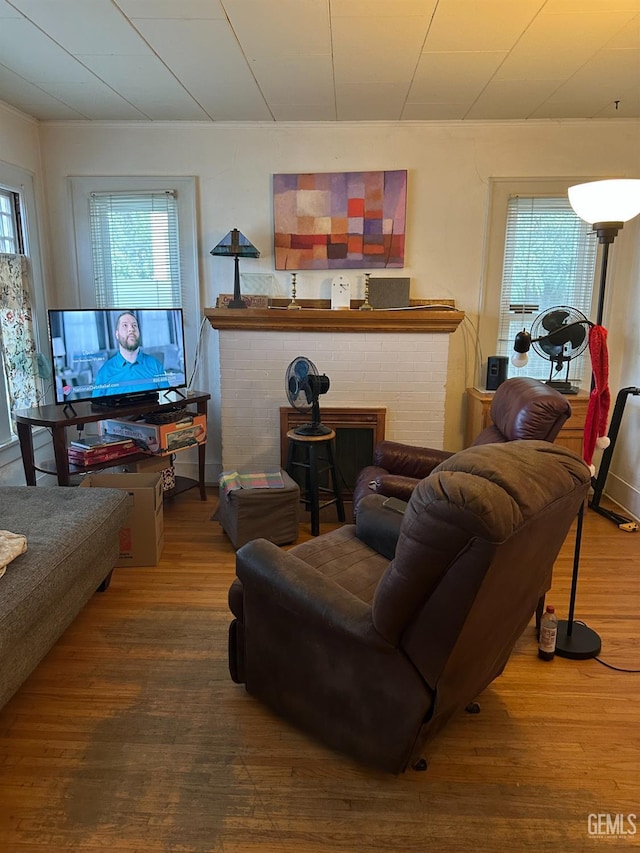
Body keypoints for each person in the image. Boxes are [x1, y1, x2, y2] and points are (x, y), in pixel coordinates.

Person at [92, 311, 170, 398]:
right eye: (125, 325)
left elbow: (166, 398)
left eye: (134, 325)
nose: (131, 329)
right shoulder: (104, 371)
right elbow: (96, 407)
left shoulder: (155, 364)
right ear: (117, 334)